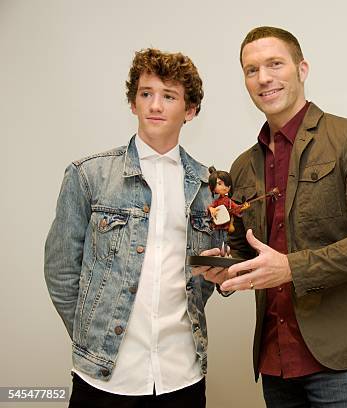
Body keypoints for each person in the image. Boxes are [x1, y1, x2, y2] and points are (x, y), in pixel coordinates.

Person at [198, 26, 347, 407]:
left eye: (275, 64)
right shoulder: (243, 166)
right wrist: (227, 271)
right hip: (275, 364)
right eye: (251, 69)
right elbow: (248, 253)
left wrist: (292, 268)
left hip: (344, 362)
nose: (263, 78)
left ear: (302, 69)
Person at [44, 48, 220, 407]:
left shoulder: (206, 186)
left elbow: (203, 280)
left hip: (182, 375)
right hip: (106, 378)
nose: (155, 105)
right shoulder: (88, 175)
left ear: (190, 111)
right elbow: (61, 271)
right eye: (146, 94)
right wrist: (93, 334)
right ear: (133, 103)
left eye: (168, 96)